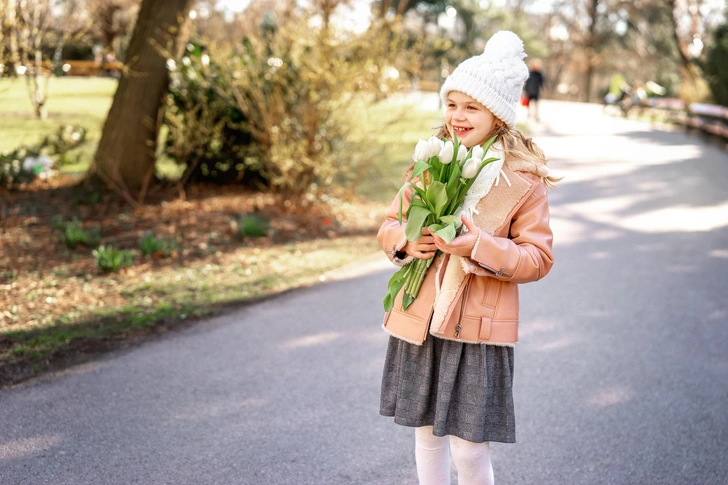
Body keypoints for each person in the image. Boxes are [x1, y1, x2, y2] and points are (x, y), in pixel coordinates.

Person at [377, 31, 559, 485]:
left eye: (471, 107)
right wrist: (404, 241)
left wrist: (478, 246)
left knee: (469, 448)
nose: (457, 116)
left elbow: (537, 258)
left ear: (497, 115)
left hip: (475, 328)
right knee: (426, 434)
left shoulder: (522, 181)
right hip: (421, 317)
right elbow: (390, 223)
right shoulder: (433, 161)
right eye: (452, 103)